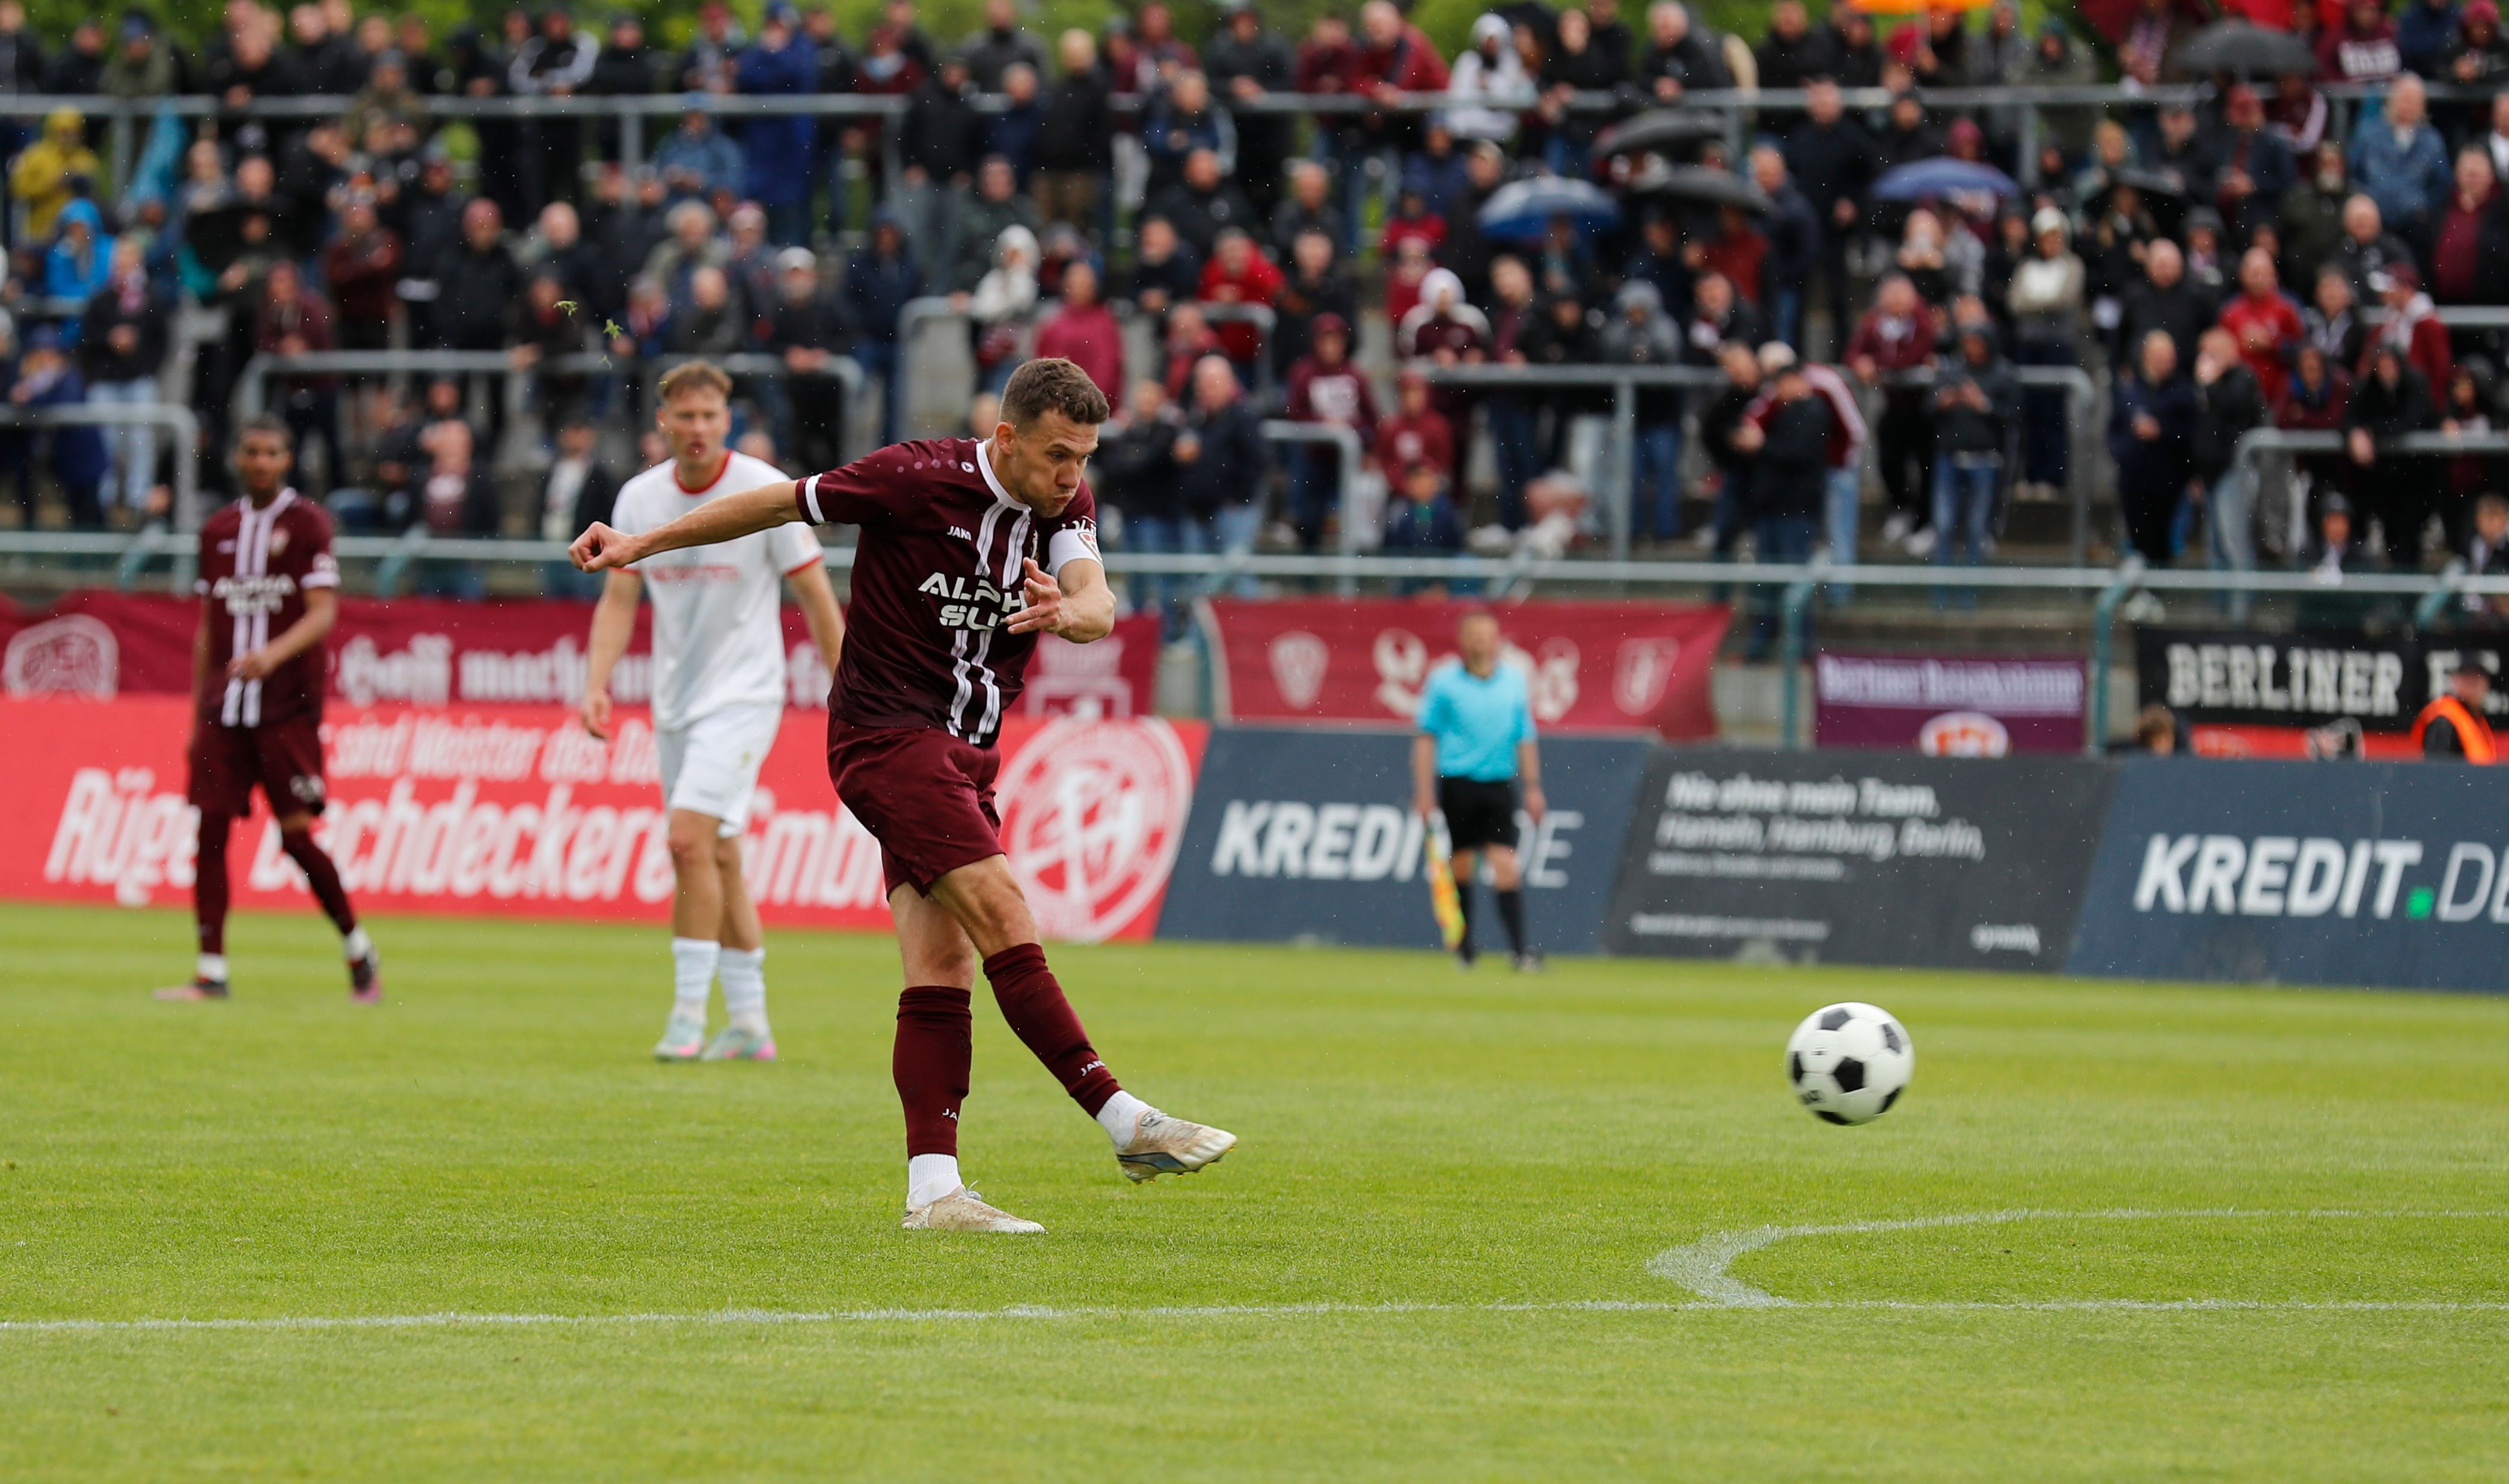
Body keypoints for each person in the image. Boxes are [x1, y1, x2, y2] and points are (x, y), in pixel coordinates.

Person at [569, 358, 1235, 1233]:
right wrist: (638, 544)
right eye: (1055, 455)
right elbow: (775, 504)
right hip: (886, 735)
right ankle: (1122, 1118)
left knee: (942, 964)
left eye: (1083, 456)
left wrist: (1079, 612)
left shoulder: (1064, 503)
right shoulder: (912, 478)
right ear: (1006, 439)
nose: (1071, 475)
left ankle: (934, 1193)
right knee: (1002, 909)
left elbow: (1095, 596)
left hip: (967, 751)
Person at [580, 364, 846, 1063]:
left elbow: (816, 598)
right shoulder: (639, 498)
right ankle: (753, 1025)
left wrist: (851, 688)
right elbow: (617, 600)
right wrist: (597, 682)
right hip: (676, 701)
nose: (697, 428)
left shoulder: (763, 487)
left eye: (709, 416)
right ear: (662, 422)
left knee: (687, 841)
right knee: (720, 854)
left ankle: (686, 1018)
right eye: (685, 416)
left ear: (726, 420)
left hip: (746, 695)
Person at [156, 419, 377, 1004]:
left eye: (271, 453)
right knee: (209, 831)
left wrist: (269, 657)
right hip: (223, 711)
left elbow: (322, 612)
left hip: (286, 708)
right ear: (237, 457)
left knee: (297, 837)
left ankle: (358, 950)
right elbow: (208, 627)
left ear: (287, 459)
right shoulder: (218, 528)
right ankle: (211, 971)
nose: (260, 462)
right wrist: (195, 711)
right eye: (251, 451)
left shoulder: (307, 523)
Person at [1411, 610, 1546, 971]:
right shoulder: (1443, 683)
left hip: (1500, 783)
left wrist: (1533, 787)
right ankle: (1465, 946)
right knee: (1463, 865)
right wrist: (1423, 791)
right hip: (1458, 783)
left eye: (1488, 635)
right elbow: (1427, 738)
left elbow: (1526, 736)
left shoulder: (1514, 682)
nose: (1482, 642)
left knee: (1506, 864)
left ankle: (1519, 951)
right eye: (1475, 635)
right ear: (1464, 640)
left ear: (1497, 639)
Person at [2413, 659, 2498, 760]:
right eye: (2468, 679)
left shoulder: (2475, 718)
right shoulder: (2445, 719)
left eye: (2478, 680)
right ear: (2455, 681)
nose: (2474, 685)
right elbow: (2437, 770)